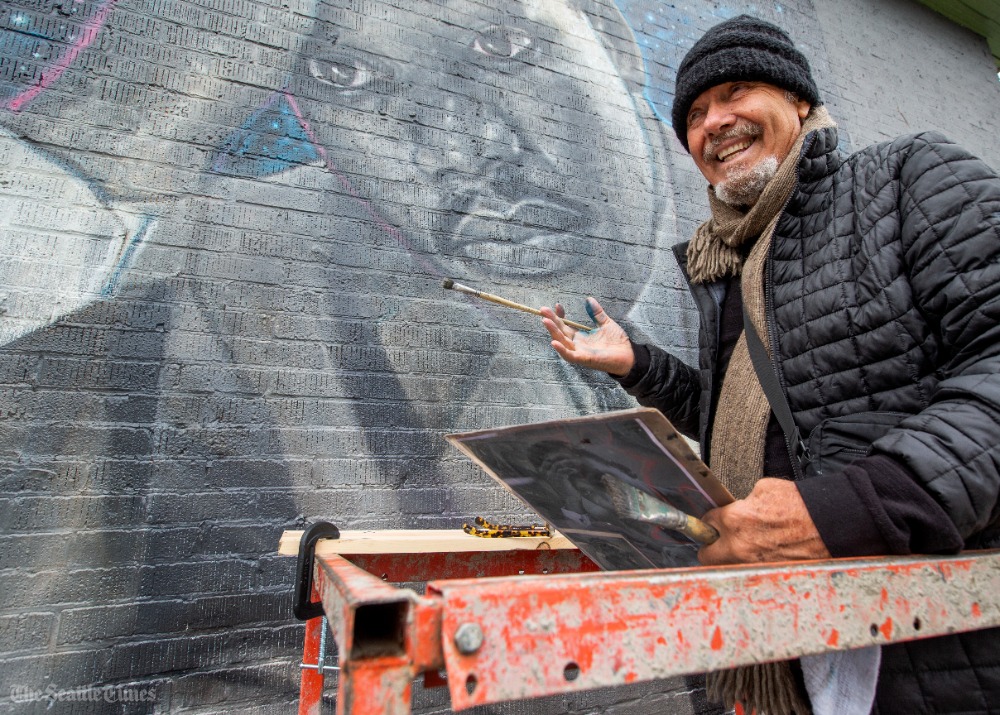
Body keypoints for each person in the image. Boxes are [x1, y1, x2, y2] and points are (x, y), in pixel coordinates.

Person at [540, 14, 1000, 715]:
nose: (714, 122)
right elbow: (739, 418)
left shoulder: (908, 177)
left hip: (933, 639)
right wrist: (635, 363)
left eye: (736, 92)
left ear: (801, 102)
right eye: (694, 114)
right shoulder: (728, 264)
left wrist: (854, 508)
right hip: (784, 633)